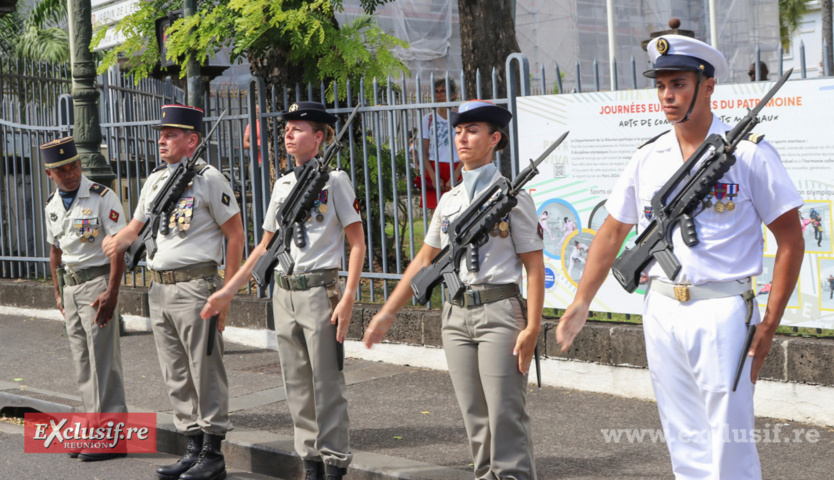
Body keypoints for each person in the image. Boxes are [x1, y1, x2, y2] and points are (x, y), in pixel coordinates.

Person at [556, 35, 803, 480]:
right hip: (662, 306)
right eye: (661, 85)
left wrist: (769, 323)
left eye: (679, 84)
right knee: (683, 438)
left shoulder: (748, 154)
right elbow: (613, 231)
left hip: (722, 310)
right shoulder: (647, 157)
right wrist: (581, 300)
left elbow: (790, 238)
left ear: (707, 86)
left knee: (729, 439)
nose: (667, 96)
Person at [364, 100, 544, 480]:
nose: (462, 137)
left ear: (494, 139)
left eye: (473, 130)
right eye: (459, 130)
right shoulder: (449, 200)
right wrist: (388, 311)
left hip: (499, 311)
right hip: (456, 316)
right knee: (475, 418)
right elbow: (424, 261)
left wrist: (532, 326)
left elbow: (533, 264)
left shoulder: (512, 198)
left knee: (505, 414)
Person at [202, 101, 365, 480]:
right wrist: (230, 290)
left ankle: (335, 463)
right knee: (296, 385)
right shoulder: (283, 184)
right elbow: (264, 246)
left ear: (319, 137)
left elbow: (356, 242)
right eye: (286, 128)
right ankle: (310, 463)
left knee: (327, 383)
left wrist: (350, 295)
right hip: (285, 293)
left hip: (319, 292)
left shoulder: (334, 181)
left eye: (298, 128)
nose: (288, 134)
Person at [103, 104, 245, 480]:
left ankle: (213, 455)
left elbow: (236, 236)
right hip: (160, 289)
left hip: (197, 286)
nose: (162, 140)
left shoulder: (209, 179)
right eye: (161, 134)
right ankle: (192, 447)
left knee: (205, 370)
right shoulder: (155, 181)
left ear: (192, 140)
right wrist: (118, 240)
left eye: (171, 134)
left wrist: (227, 292)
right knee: (176, 372)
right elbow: (136, 226)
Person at [42, 137, 128, 462]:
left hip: (96, 285)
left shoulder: (101, 197)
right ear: (49, 173)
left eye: (74, 166)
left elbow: (118, 245)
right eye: (61, 170)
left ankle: (113, 437)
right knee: (83, 363)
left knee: (103, 363)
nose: (70, 173)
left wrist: (112, 291)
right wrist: (57, 293)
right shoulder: (52, 204)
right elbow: (55, 251)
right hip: (71, 287)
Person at [420, 78, 462, 211]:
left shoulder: (461, 117)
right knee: (436, 213)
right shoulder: (428, 119)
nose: (439, 95)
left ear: (453, 95)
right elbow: (423, 151)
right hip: (434, 167)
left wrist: (455, 174)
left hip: (458, 166)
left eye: (443, 91)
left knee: (459, 209)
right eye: (436, 92)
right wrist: (433, 176)